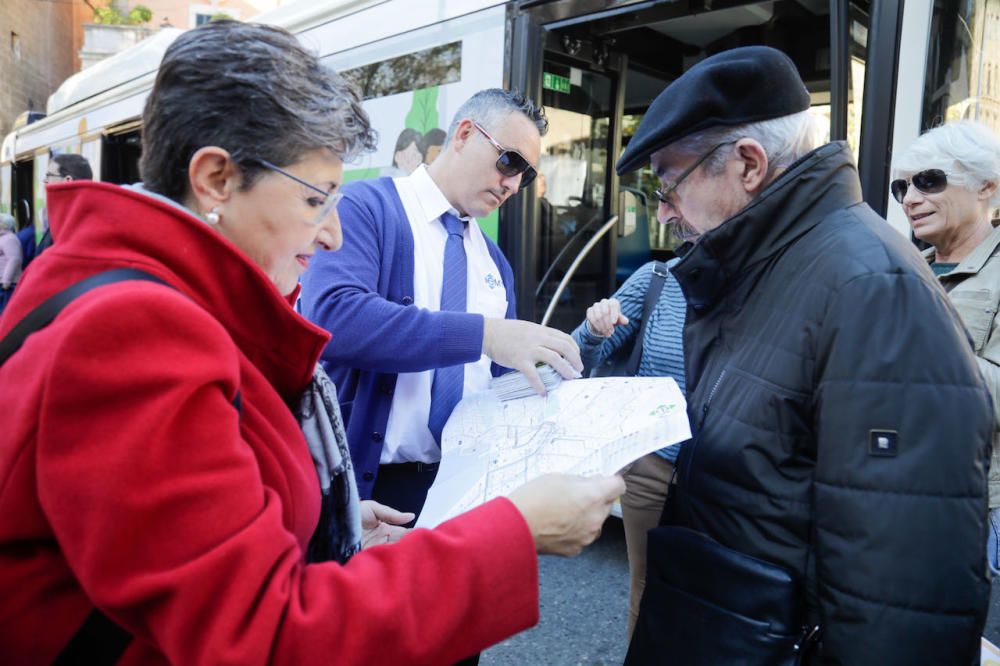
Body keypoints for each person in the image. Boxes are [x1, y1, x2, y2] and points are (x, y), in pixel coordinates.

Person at [0, 21, 623, 664]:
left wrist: (333, 526)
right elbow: (262, 635)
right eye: (317, 201)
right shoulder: (132, 336)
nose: (330, 237)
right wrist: (515, 536)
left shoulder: (150, 306)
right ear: (215, 179)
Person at [618, 47, 993, 664]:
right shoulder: (768, 266)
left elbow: (901, 594)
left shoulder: (874, 292)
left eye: (669, 183)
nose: (662, 210)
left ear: (748, 164)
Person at [301, 88, 584, 521]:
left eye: (525, 176)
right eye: (509, 161)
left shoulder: (493, 260)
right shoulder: (368, 209)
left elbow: (497, 376)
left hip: (461, 483)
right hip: (368, 483)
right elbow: (334, 317)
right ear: (465, 134)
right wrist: (485, 334)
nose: (512, 184)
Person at [892, 119, 1000, 571]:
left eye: (929, 181)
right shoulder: (900, 266)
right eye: (902, 188)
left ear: (985, 187)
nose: (911, 199)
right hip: (894, 493)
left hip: (977, 508)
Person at [572, 257, 687, 639]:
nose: (665, 213)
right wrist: (594, 329)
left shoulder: (771, 276)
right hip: (655, 467)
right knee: (650, 589)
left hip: (732, 470)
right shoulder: (659, 278)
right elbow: (577, 356)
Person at [36, 152, 93, 254]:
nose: (45, 181)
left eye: (49, 175)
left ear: (67, 180)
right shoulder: (82, 216)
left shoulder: (71, 222)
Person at [0, 213, 22, 315]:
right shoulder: (3, 238)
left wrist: (6, 281)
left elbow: (14, 259)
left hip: (7, 284)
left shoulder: (9, 239)